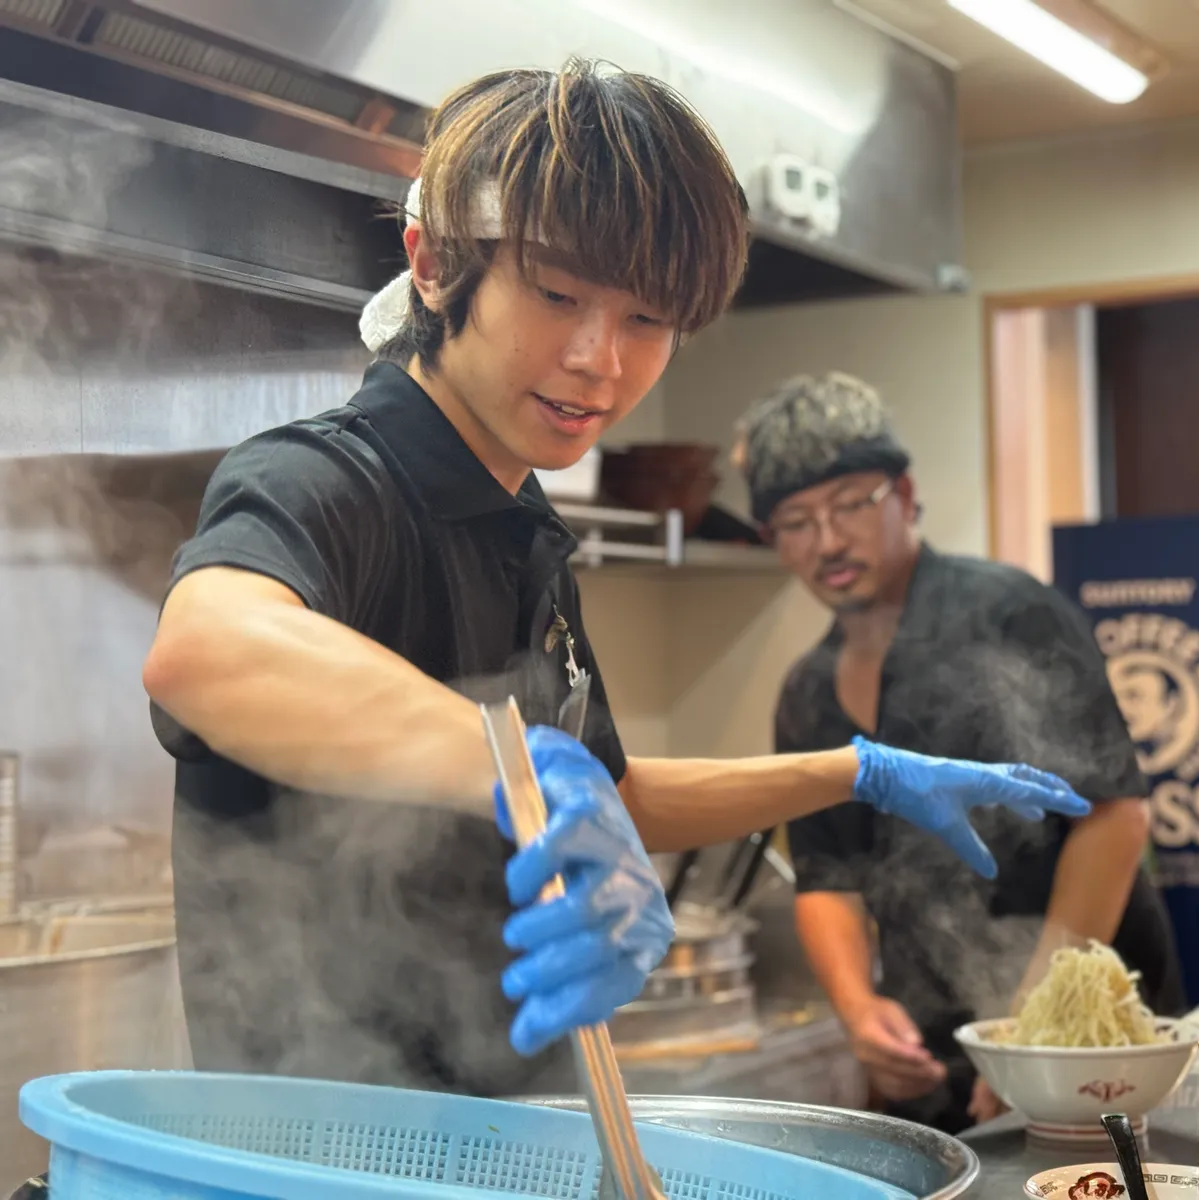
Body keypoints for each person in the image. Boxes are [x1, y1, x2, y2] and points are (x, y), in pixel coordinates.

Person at [141, 63, 1091, 1098]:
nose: (601, 359)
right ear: (433, 263)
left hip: (512, 1136)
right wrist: (517, 767)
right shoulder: (328, 478)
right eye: (558, 295)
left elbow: (614, 796)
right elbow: (206, 650)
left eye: (649, 321)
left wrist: (854, 773)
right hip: (329, 1149)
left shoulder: (524, 530)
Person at [733, 372, 1185, 1134]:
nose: (829, 541)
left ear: (905, 496)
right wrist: (857, 1009)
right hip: (938, 1040)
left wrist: (1034, 1035)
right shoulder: (807, 691)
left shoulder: (1011, 613)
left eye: (851, 504)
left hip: (1084, 1030)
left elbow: (1114, 816)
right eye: (797, 521)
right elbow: (825, 875)